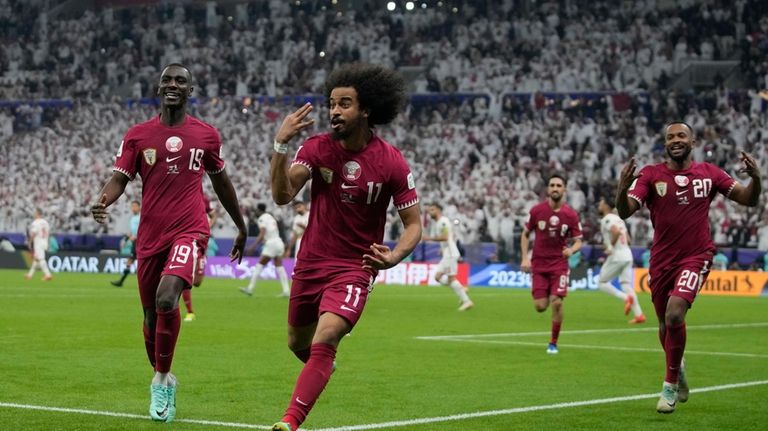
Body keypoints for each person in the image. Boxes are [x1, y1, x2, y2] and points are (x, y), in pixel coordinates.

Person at [267, 63, 422, 431]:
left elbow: (414, 224)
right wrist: (280, 144)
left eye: (345, 104)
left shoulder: (391, 161)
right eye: (332, 104)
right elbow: (282, 195)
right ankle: (322, 364)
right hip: (310, 263)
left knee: (327, 335)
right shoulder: (317, 148)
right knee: (296, 343)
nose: (335, 111)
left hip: (355, 266)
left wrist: (395, 255)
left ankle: (289, 421)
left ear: (366, 109)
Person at [90, 63, 247, 423]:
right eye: (167, 80)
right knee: (149, 316)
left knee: (165, 298)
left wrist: (241, 225)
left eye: (180, 81)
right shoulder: (138, 135)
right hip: (150, 236)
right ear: (158, 88)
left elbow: (222, 183)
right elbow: (120, 178)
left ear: (190, 90)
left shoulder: (206, 135)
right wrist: (102, 199)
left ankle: (160, 380)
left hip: (190, 230)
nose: (173, 85)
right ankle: (164, 372)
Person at [616, 121, 761, 414]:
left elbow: (748, 199)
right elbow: (626, 211)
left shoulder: (709, 173)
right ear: (665, 144)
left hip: (697, 256)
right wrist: (621, 188)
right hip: (661, 260)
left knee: (673, 315)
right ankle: (678, 367)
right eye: (670, 137)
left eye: (681, 135)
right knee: (663, 324)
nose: (675, 140)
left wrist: (757, 179)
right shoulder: (650, 174)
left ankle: (668, 386)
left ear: (692, 142)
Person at [520, 174, 583, 354]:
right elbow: (525, 234)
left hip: (559, 265)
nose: (555, 188)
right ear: (548, 189)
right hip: (539, 264)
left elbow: (579, 240)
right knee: (540, 307)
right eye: (552, 185)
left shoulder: (570, 214)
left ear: (564, 190)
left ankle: (553, 343)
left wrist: (571, 250)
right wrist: (525, 257)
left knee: (557, 303)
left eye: (559, 185)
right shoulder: (536, 211)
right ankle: (551, 292)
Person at [596, 196, 645, 324]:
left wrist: (610, 246)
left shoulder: (607, 219)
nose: (599, 206)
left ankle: (625, 298)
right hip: (627, 254)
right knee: (625, 284)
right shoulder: (619, 219)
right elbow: (628, 239)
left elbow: (616, 232)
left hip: (617, 256)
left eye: (601, 203)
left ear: (606, 205)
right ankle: (639, 315)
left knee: (601, 282)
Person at [423, 202, 473, 311]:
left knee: (450, 279)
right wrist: (443, 248)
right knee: (437, 277)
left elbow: (445, 237)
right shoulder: (439, 223)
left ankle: (467, 301)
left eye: (432, 210)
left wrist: (429, 238)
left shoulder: (443, 222)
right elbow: (451, 236)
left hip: (450, 253)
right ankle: (460, 289)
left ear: (438, 210)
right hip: (447, 252)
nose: (430, 212)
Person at [239, 203, 291, 297]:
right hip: (278, 242)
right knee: (279, 266)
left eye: (256, 211)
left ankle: (250, 288)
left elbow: (262, 232)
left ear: (259, 210)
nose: (256, 212)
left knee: (259, 265)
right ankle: (286, 290)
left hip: (271, 243)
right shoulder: (270, 217)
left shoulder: (262, 218)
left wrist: (253, 246)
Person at [182, 195, 218, 322]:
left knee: (197, 282)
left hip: (202, 242)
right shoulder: (180, 194)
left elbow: (214, 215)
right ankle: (190, 312)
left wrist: (208, 227)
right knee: (185, 277)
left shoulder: (204, 198)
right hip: (186, 239)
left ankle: (176, 284)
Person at [112, 200, 141, 287]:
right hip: (135, 242)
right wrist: (128, 238)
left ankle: (121, 281)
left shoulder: (141, 217)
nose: (133, 208)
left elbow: (143, 229)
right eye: (132, 206)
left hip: (141, 241)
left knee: (133, 260)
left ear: (139, 207)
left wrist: (136, 236)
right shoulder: (133, 218)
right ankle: (121, 281)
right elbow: (133, 231)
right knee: (130, 260)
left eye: (135, 206)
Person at [25, 208, 53, 281]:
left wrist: (30, 242)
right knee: (36, 259)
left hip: (38, 242)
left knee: (41, 259)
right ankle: (29, 275)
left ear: (38, 214)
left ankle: (47, 274)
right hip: (45, 241)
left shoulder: (36, 222)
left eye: (35, 213)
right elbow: (48, 233)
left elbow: (34, 233)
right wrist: (48, 243)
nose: (34, 214)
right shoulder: (46, 222)